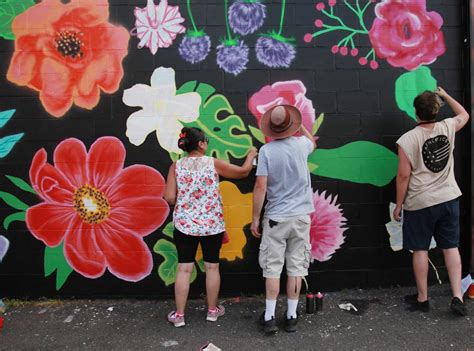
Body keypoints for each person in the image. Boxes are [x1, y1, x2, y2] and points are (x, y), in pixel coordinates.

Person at [164, 127, 258, 327]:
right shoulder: (212, 163)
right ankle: (213, 311)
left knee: (183, 269)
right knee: (212, 266)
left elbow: (170, 197)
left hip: (184, 224)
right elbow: (242, 172)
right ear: (200, 144)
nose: (207, 144)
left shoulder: (176, 166)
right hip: (212, 224)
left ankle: (179, 316)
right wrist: (251, 156)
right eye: (206, 141)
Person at [394, 87, 469, 316]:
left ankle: (423, 298)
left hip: (420, 203)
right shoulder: (448, 127)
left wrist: (399, 205)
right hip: (448, 198)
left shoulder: (407, 140)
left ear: (416, 112)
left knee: (420, 249)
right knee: (451, 247)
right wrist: (445, 96)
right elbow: (465, 114)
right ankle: (457, 296)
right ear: (436, 110)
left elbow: (403, 176)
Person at [251, 104, 316, 334]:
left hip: (276, 218)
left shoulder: (267, 151)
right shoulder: (302, 145)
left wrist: (255, 218)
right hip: (301, 217)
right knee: (296, 268)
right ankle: (291, 315)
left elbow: (260, 186)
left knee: (272, 268)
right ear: (292, 126)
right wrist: (301, 127)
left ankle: (269, 317)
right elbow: (313, 143)